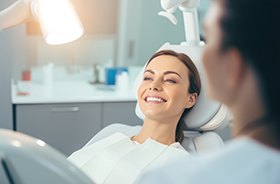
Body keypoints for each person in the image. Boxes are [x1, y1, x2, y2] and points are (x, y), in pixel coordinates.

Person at [135, 0, 280, 183]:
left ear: (232, 67)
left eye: (208, 40)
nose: (201, 54)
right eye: (148, 77)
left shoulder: (171, 177)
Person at [67, 49, 201, 184]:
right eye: (148, 78)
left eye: (170, 80)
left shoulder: (181, 167)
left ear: (190, 99)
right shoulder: (112, 135)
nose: (154, 86)